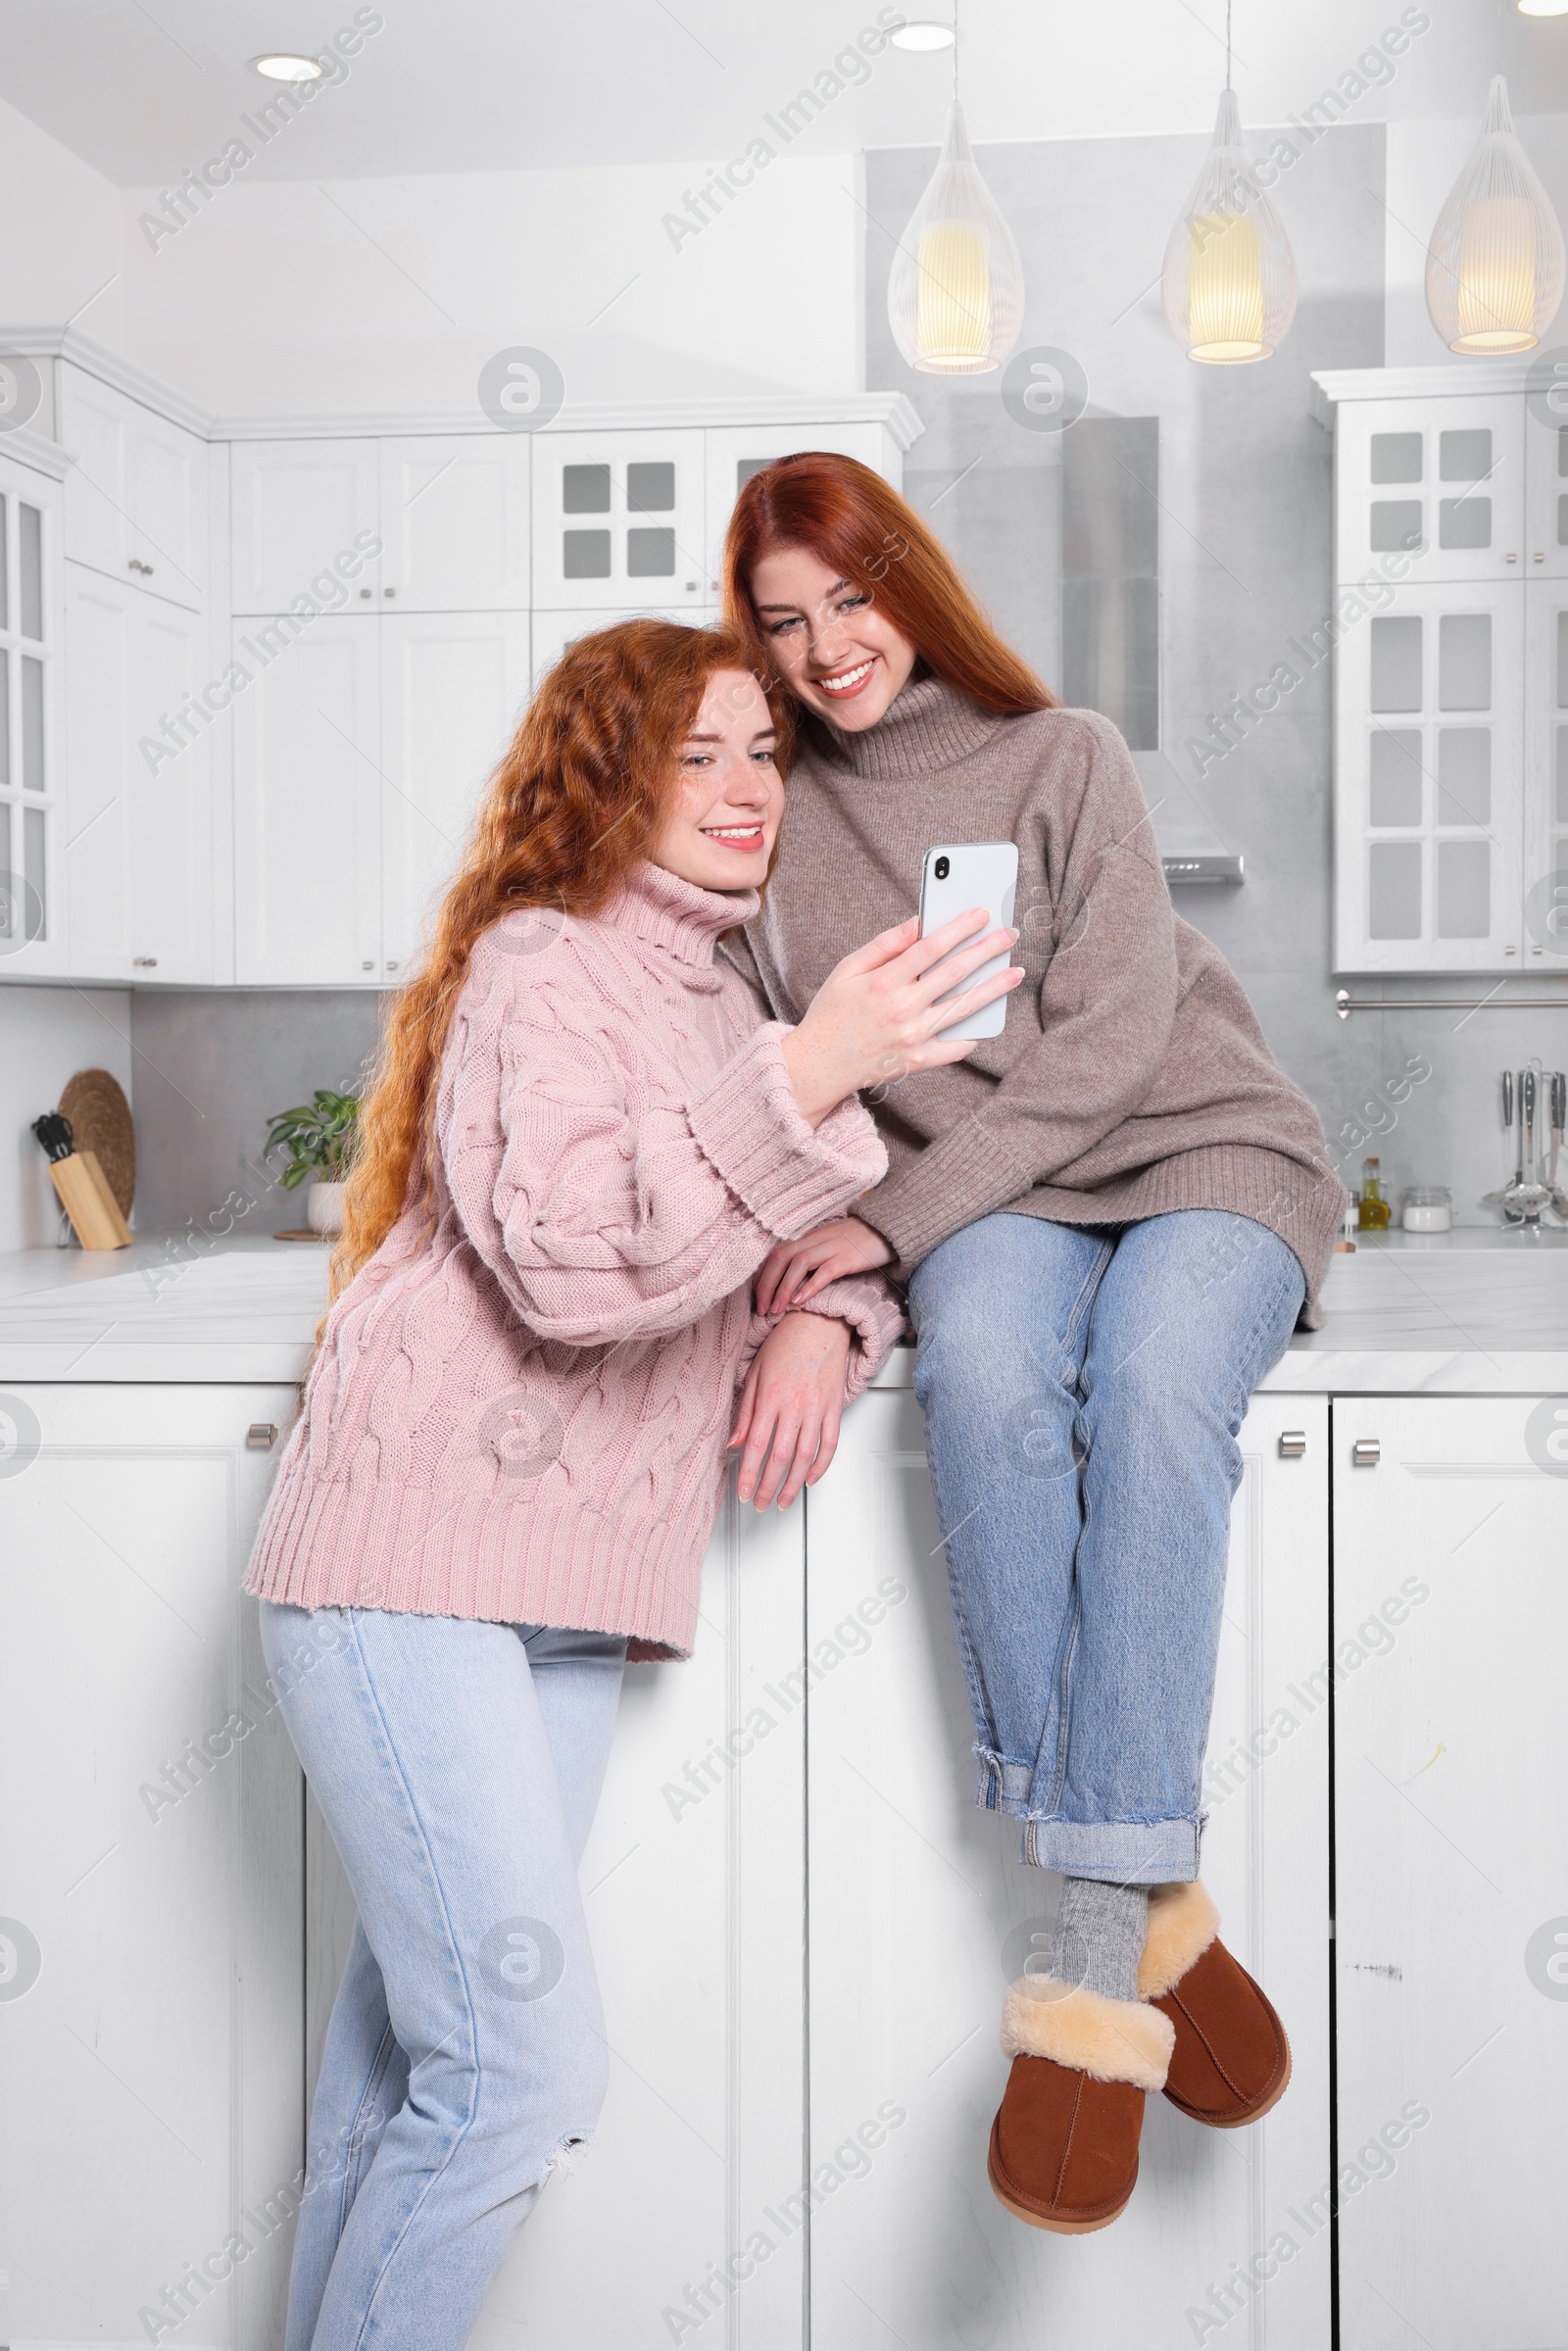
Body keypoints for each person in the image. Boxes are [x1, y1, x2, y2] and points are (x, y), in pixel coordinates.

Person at [241, 616, 1019, 2347]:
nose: (749, 789)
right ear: (611, 776)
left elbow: (774, 1232)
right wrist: (814, 1071)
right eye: (700, 754)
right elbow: (578, 1267)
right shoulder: (547, 957)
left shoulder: (724, 989)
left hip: (564, 1595)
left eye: (766, 754)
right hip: (406, 1562)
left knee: (409, 2059)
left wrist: (828, 1309)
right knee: (526, 2066)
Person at [721, 454, 1346, 2235]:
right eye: (784, 624)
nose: (829, 648)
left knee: (1153, 1388)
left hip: (1193, 1143)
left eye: (850, 598)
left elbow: (1109, 1041)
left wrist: (890, 1228)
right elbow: (784, 1096)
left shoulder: (1065, 752)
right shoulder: (776, 832)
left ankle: (1080, 1976)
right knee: (986, 1383)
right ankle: (1151, 1914)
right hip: (992, 1202)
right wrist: (856, 1267)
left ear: (908, 582)